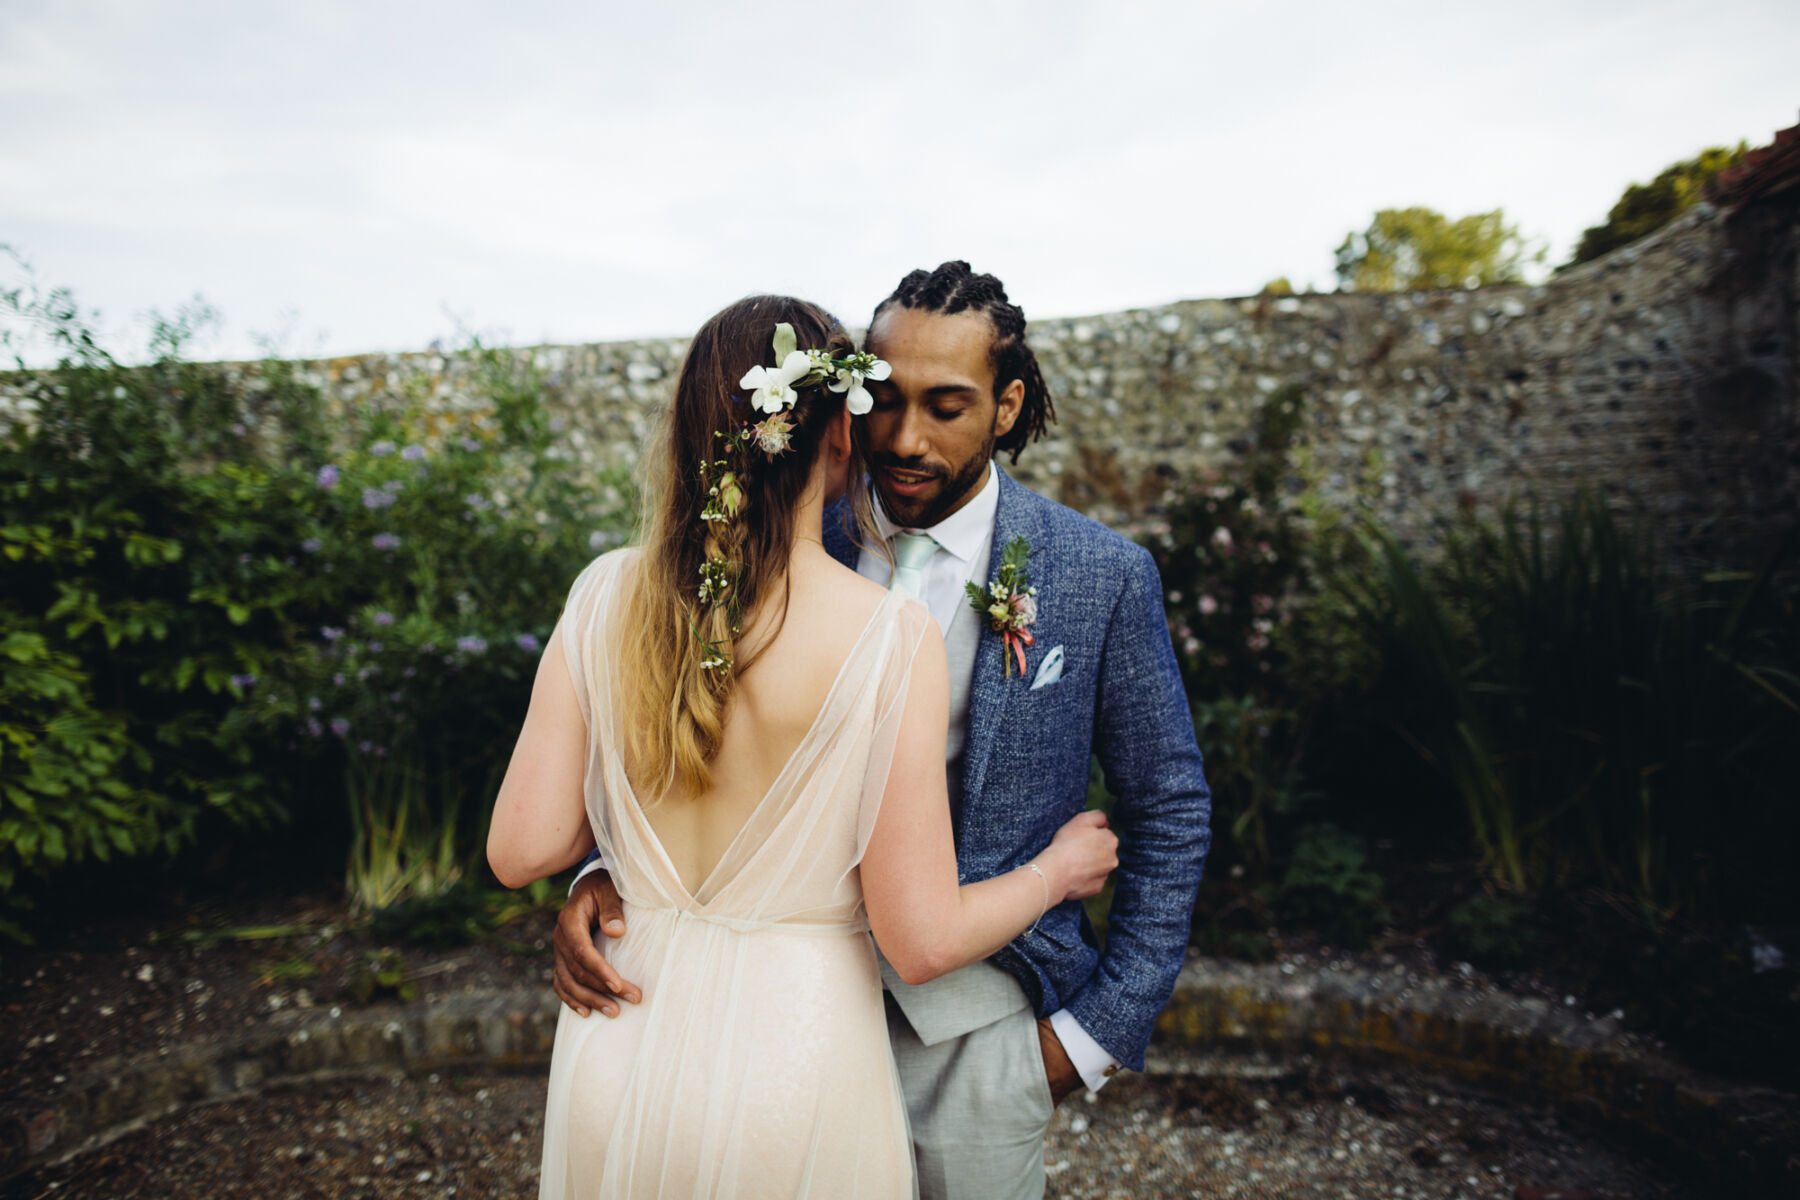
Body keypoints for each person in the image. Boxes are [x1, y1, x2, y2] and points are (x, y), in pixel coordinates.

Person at [553, 263, 1213, 1199]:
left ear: (1007, 403)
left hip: (967, 1038)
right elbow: (692, 733)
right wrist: (608, 873)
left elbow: (1171, 808)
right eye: (885, 403)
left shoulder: (1097, 576)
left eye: (947, 406)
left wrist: (1089, 1040)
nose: (904, 439)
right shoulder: (769, 527)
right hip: (765, 1034)